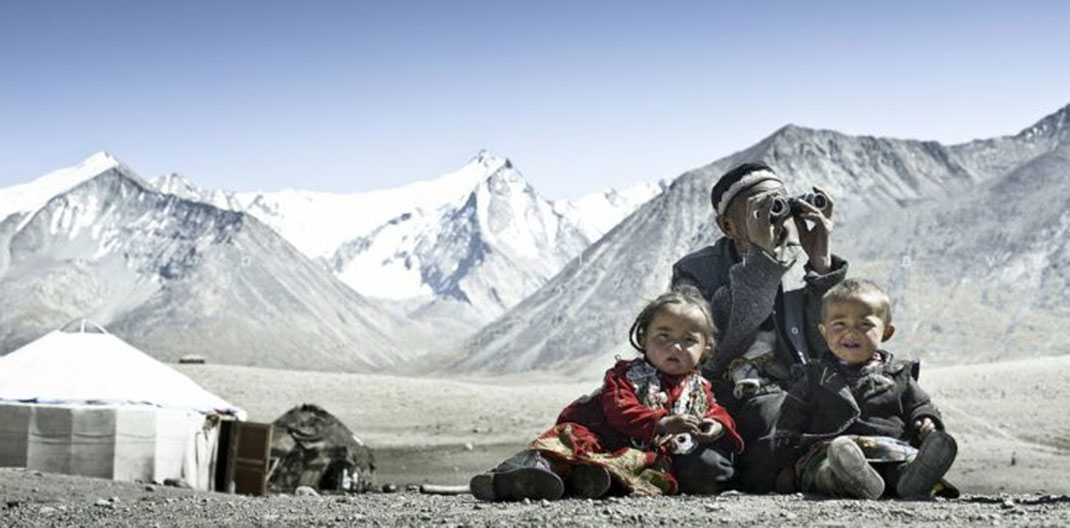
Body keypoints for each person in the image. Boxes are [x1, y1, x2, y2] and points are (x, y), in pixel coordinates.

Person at [469, 286, 744, 501]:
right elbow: (619, 409)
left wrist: (716, 425)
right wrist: (660, 423)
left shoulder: (699, 388)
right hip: (601, 436)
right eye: (664, 335)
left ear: (706, 349)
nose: (676, 347)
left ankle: (593, 481)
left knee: (643, 467)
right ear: (644, 337)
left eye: (689, 340)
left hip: (640, 451)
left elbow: (715, 410)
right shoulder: (625, 375)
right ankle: (522, 474)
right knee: (570, 443)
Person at [671, 161, 847, 492]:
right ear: (727, 225)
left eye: (778, 205)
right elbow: (710, 352)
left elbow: (827, 345)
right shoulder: (694, 271)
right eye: (759, 209)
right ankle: (777, 469)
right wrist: (761, 262)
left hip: (784, 395)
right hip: (717, 392)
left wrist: (822, 266)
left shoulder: (800, 261)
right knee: (704, 470)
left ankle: (782, 467)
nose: (773, 217)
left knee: (789, 418)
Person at [772, 279, 957, 499]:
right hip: (831, 450)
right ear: (823, 331)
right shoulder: (813, 377)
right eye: (839, 325)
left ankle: (912, 480)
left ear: (886, 333)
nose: (851, 333)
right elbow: (790, 420)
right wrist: (785, 462)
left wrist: (926, 421)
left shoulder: (898, 375)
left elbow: (920, 405)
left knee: (902, 464)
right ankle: (848, 480)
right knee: (826, 470)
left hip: (889, 450)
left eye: (864, 325)